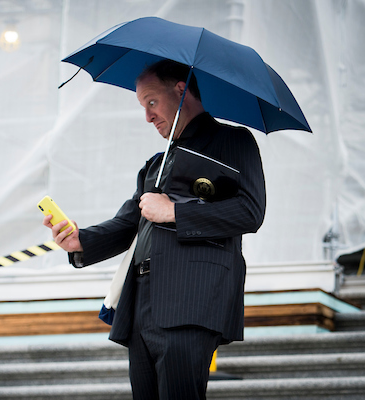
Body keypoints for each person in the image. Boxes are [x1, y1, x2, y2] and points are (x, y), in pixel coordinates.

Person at [43, 59, 266, 400]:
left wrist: (175, 211)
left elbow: (250, 212)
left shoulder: (233, 141)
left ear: (181, 89)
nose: (147, 116)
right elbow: (128, 223)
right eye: (142, 106)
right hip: (141, 303)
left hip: (193, 300)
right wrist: (79, 240)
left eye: (151, 101)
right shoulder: (156, 165)